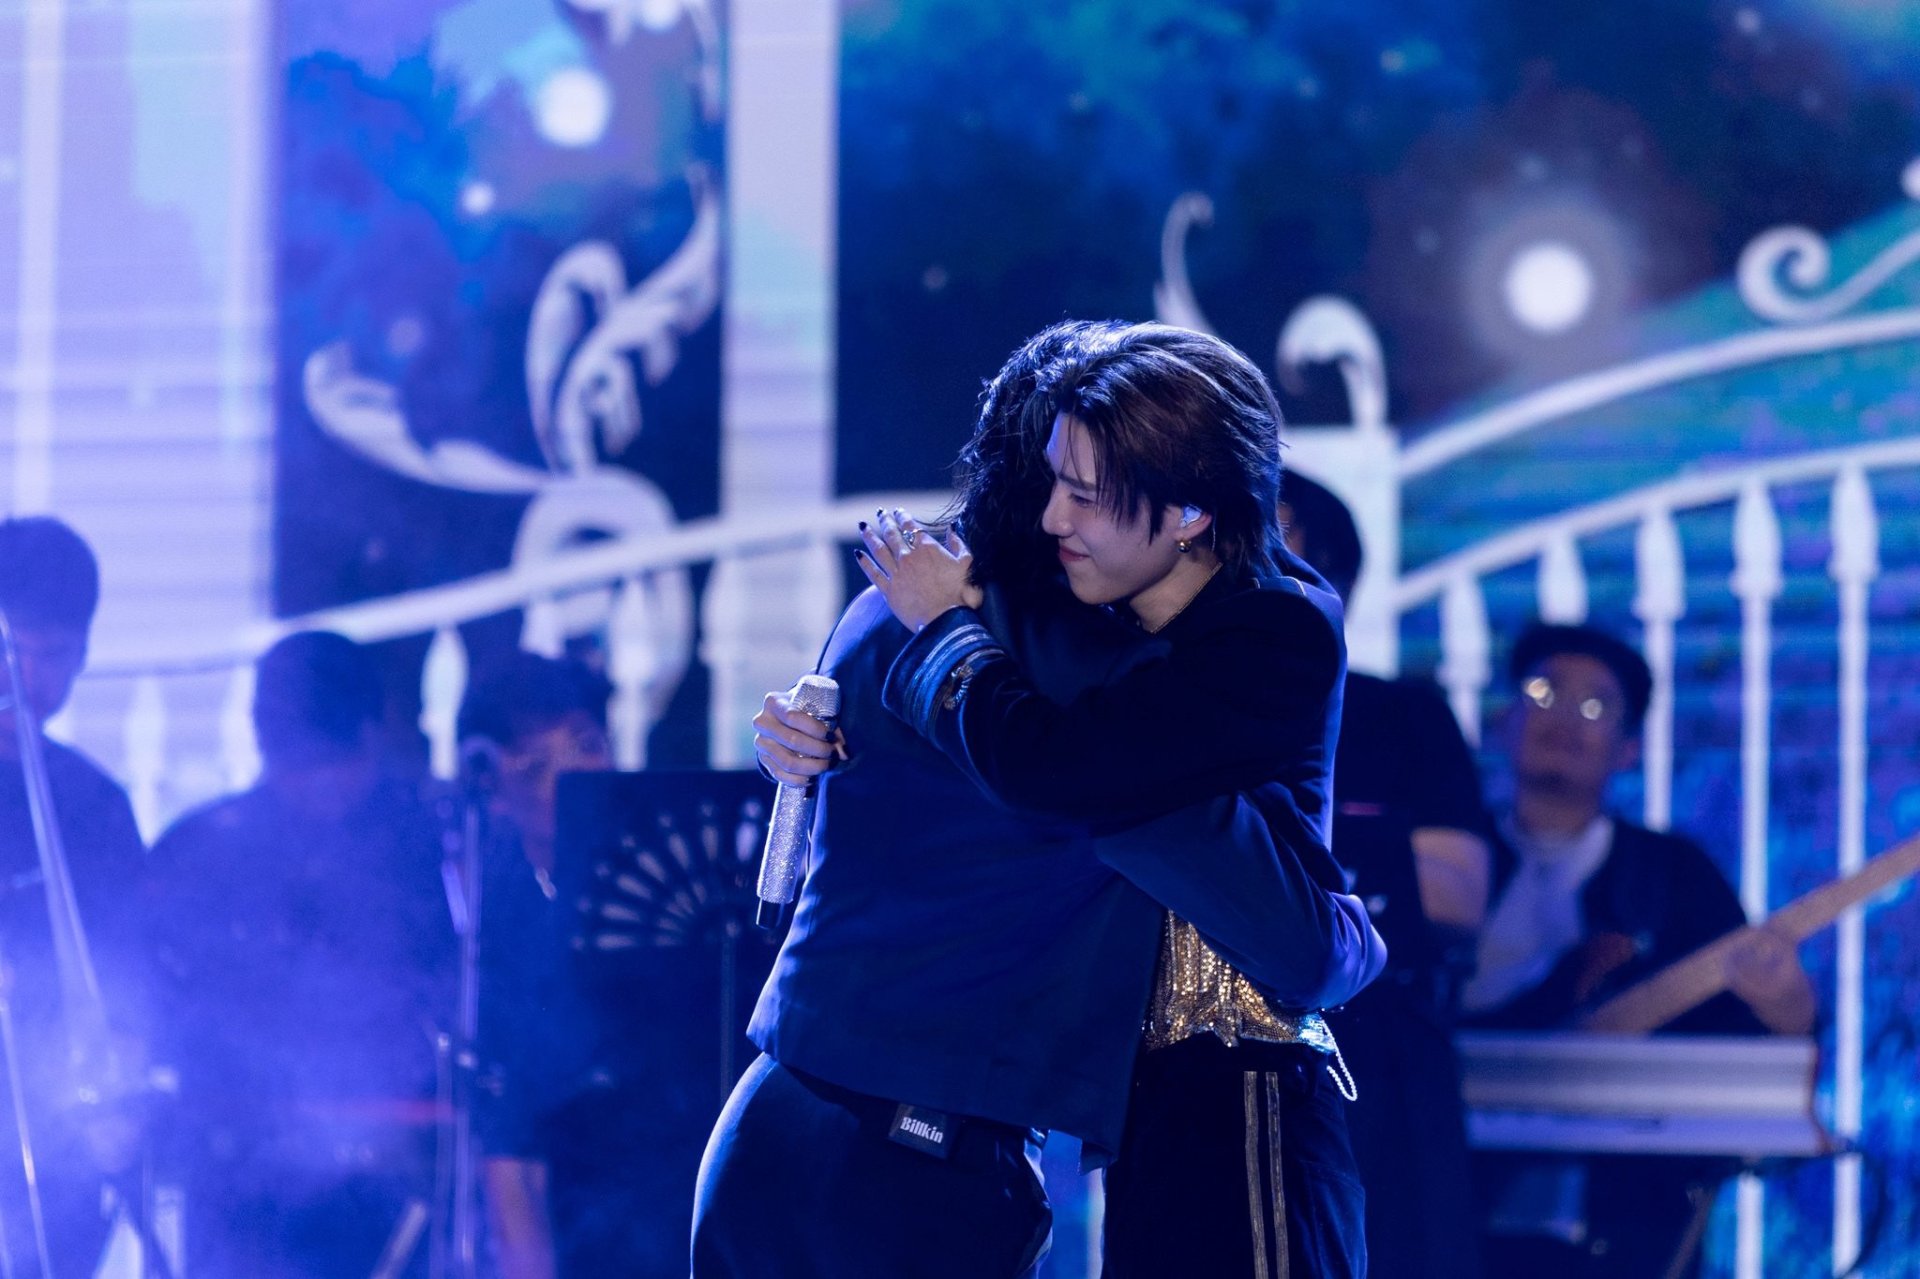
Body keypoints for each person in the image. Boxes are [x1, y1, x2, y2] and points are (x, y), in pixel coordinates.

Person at [709, 321, 1381, 1279]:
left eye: (1088, 491)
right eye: (1058, 481)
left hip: (784, 1120)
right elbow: (1293, 937)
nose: (1059, 516)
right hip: (921, 1159)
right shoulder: (1060, 664)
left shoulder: (907, 610)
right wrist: (1354, 939)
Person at [1461, 620, 1816, 1279]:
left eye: (1596, 706)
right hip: (1446, 1200)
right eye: (1543, 693)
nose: (1566, 718)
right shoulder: (1447, 858)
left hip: (1627, 1225)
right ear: (1503, 721)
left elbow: (1758, 1033)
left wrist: (1786, 1000)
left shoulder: (1674, 876)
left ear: (1627, 749)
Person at [149, 630, 453, 1276]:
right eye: (295, 766)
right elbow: (161, 1006)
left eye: (331, 766)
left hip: (402, 1173)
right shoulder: (199, 854)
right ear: (263, 744)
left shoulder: (433, 844)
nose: (315, 789)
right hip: (241, 1180)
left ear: (373, 735)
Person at [1280, 473, 1489, 1279]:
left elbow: (1459, 893)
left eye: (1267, 532)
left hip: (1373, 1049)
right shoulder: (1164, 703)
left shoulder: (1401, 717)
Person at [0, 515, 152, 1270]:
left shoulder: (94, 805)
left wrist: (124, 1075)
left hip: (49, 1144)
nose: (23, 678)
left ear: (84, 655)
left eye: (51, 655)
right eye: (10, 649)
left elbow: (132, 970)